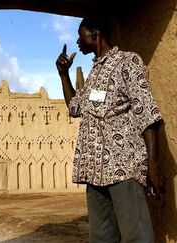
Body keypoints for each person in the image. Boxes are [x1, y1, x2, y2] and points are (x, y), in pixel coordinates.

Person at [56, 16, 164, 243]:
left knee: (137, 236)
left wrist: (152, 166)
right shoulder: (94, 74)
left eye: (81, 34)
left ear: (95, 33)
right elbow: (75, 107)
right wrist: (63, 74)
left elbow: (148, 115)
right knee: (101, 238)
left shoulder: (128, 62)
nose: (77, 40)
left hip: (123, 169)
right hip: (94, 174)